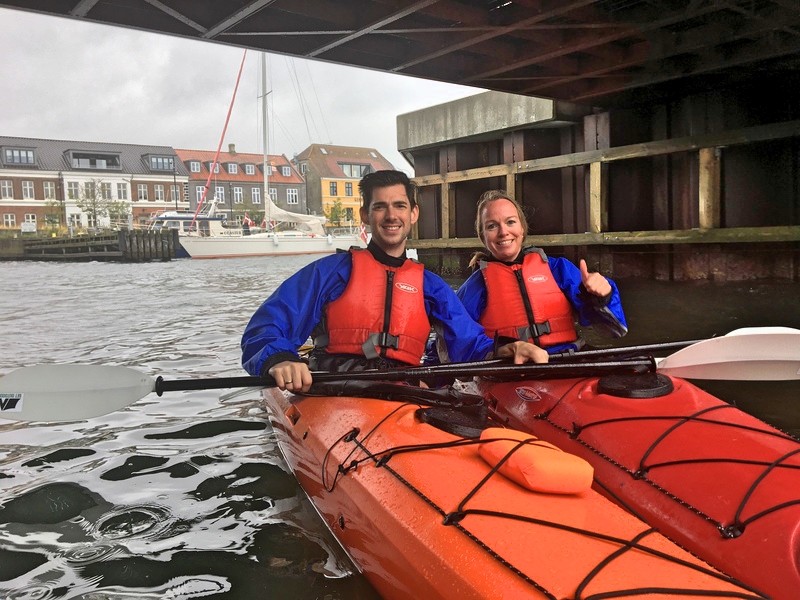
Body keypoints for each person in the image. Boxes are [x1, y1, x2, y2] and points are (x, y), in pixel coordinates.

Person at [241, 171, 549, 392]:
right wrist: (279, 358)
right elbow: (267, 326)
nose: (391, 215)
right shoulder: (330, 272)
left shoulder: (431, 285)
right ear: (365, 215)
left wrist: (507, 348)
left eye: (400, 206)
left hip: (403, 388)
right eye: (380, 207)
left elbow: (467, 341)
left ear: (413, 213)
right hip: (336, 384)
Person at [456, 190, 627, 355]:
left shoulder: (558, 269)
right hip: (510, 369)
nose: (503, 232)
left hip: (566, 359)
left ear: (522, 229)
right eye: (492, 226)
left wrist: (603, 296)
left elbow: (612, 329)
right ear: (483, 236)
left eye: (510, 222)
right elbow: (455, 343)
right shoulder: (474, 287)